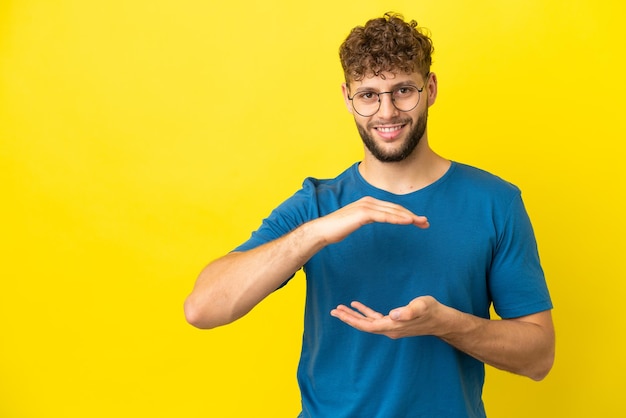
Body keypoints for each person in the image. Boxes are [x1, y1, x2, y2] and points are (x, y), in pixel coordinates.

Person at [184, 12, 555, 418]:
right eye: (369, 95)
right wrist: (315, 234)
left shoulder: (495, 202)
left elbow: (538, 358)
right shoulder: (316, 205)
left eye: (403, 90)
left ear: (429, 89)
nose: (387, 111)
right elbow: (203, 309)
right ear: (348, 98)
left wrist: (445, 323)